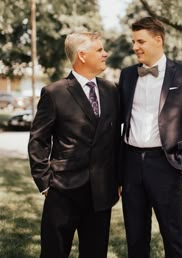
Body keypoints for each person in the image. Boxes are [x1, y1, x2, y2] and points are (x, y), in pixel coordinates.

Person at [119, 16, 182, 258]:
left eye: (141, 41)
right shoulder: (127, 75)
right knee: (135, 236)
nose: (135, 47)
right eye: (133, 41)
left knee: (173, 236)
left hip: (166, 163)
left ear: (158, 40)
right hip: (130, 164)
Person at [28, 31, 120, 258]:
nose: (105, 54)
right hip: (62, 192)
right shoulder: (55, 92)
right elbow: (38, 140)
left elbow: (115, 138)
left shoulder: (111, 90)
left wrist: (117, 179)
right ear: (82, 55)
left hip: (100, 193)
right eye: (99, 50)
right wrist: (45, 183)